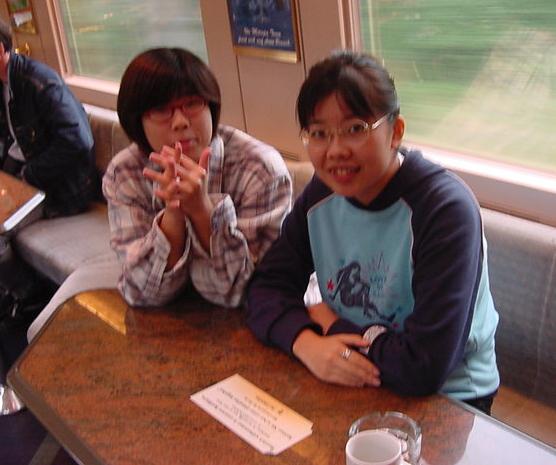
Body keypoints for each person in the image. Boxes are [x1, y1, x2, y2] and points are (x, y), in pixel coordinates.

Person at [246, 50, 499, 414]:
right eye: (319, 133)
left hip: (450, 398)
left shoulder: (443, 210)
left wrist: (332, 324)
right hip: (350, 368)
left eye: (354, 129)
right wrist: (305, 342)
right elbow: (266, 288)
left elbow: (425, 366)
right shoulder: (321, 195)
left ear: (395, 132)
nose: (335, 151)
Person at [102, 48, 292, 308]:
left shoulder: (260, 169)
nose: (180, 122)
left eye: (192, 104)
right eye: (161, 109)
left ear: (211, 106)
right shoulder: (126, 172)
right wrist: (174, 213)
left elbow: (238, 293)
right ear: (137, 121)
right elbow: (143, 292)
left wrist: (202, 209)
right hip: (160, 319)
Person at [0, 18, 95, 413]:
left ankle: (26, 297)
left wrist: (26, 176)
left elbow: (78, 140)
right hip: (27, 181)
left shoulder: (38, 82)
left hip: (63, 190)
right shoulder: (4, 88)